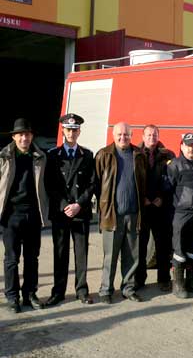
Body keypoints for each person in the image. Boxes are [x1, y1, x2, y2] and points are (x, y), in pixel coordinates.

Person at [45, 113, 96, 306]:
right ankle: (58, 292)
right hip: (61, 212)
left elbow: (92, 184)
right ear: (63, 131)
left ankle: (82, 291)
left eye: (75, 130)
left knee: (81, 253)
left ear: (79, 132)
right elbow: (49, 185)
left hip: (79, 211)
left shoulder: (87, 155)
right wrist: (64, 205)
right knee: (60, 253)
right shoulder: (53, 155)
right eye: (68, 130)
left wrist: (78, 205)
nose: (72, 133)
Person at [95, 122, 147, 304]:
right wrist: (102, 209)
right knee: (110, 255)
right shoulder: (104, 155)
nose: (123, 137)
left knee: (132, 256)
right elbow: (97, 184)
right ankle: (105, 291)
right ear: (113, 135)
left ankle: (128, 288)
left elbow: (143, 181)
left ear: (131, 136)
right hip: (112, 215)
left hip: (133, 214)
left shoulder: (139, 155)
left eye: (126, 134)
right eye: (119, 134)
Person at [0, 118, 49, 313]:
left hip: (33, 214)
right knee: (12, 259)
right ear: (14, 137)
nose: (24, 138)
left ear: (32, 136)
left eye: (27, 134)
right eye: (20, 134)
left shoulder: (40, 157)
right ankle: (12, 297)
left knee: (32, 258)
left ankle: (29, 294)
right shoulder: (3, 156)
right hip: (11, 214)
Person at [165, 133, 193, 299]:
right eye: (188, 145)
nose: (191, 148)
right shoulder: (175, 165)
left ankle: (191, 282)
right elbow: (167, 189)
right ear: (182, 146)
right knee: (179, 250)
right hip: (181, 214)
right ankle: (178, 284)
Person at [135, 124, 175, 292]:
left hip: (161, 207)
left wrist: (162, 198)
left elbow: (172, 180)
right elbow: (132, 180)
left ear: (158, 136)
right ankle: (139, 279)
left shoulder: (167, 155)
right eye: (149, 135)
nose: (152, 137)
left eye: (154, 134)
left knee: (163, 246)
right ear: (143, 137)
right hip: (142, 208)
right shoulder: (135, 154)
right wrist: (141, 198)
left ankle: (164, 279)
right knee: (141, 246)